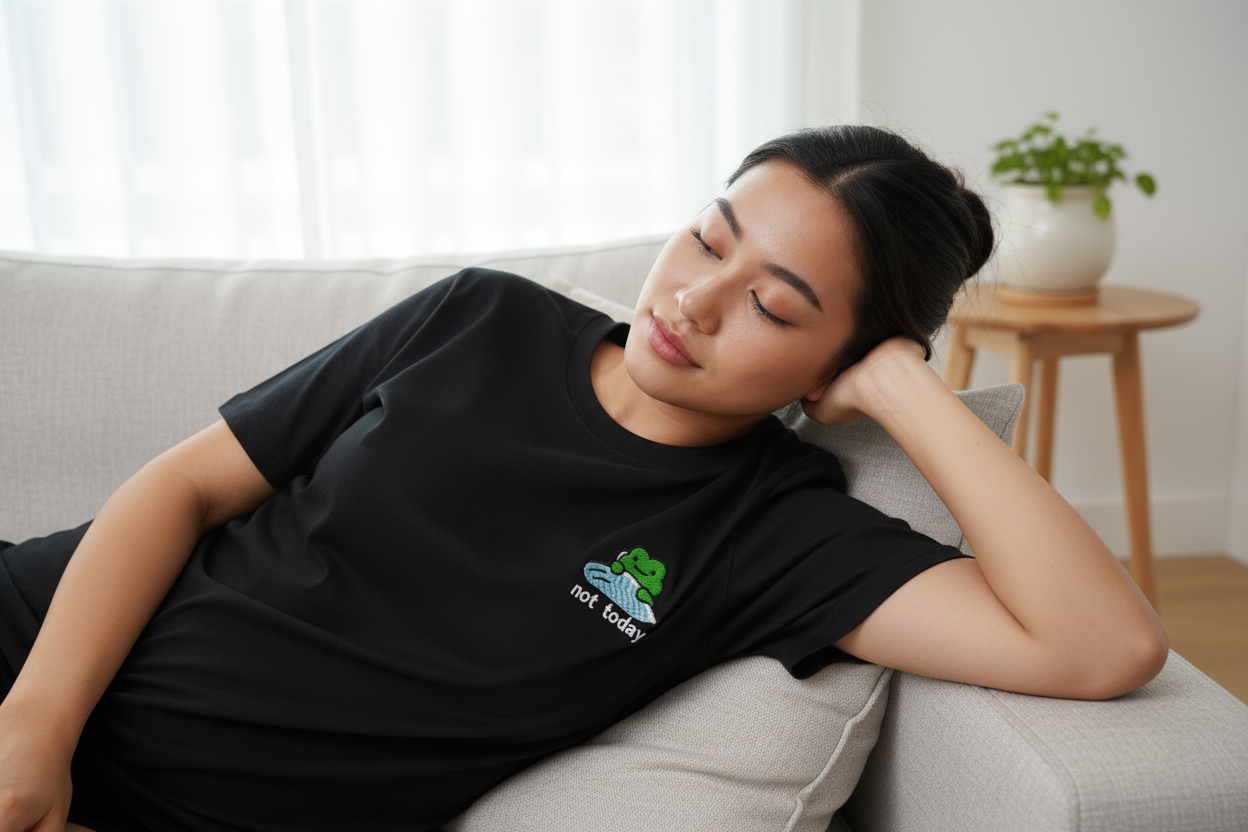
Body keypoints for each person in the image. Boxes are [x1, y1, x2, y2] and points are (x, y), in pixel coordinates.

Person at [0, 125, 1168, 832]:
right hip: (35, 658)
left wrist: (913, 394)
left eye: (773, 306)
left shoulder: (777, 534)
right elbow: (179, 491)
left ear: (844, 357)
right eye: (710, 240)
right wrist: (37, 725)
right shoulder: (479, 315)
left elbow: (1101, 647)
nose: (692, 301)